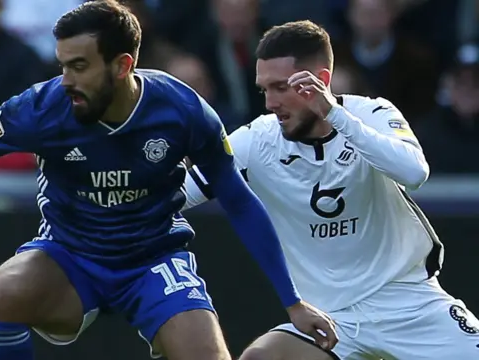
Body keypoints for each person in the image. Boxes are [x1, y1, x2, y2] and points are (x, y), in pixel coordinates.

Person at [0, 3, 336, 360]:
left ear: (123, 65)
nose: (66, 79)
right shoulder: (44, 107)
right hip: (71, 255)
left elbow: (238, 200)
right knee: (1, 293)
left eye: (79, 66)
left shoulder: (181, 110)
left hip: (155, 260)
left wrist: (292, 301)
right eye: (63, 64)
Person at [181, 20, 479, 360]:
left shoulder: (372, 113)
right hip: (328, 320)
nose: (270, 103)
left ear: (321, 81)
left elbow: (414, 172)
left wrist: (334, 115)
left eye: (281, 88)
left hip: (409, 305)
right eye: (265, 90)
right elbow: (178, 196)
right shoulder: (256, 140)